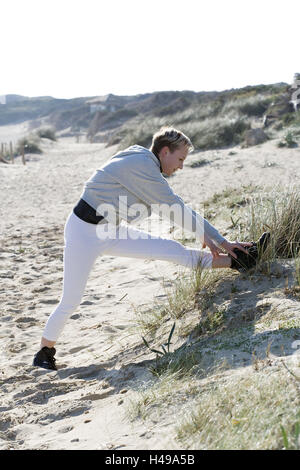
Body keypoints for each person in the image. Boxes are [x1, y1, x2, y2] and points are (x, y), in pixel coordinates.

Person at [33, 127, 269, 371]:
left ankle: (241, 260)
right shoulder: (143, 166)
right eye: (180, 159)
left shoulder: (144, 161)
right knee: (71, 299)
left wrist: (214, 239)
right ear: (165, 152)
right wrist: (220, 240)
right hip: (83, 233)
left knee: (173, 250)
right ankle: (44, 353)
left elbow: (173, 208)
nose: (181, 166)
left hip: (111, 229)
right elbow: (176, 207)